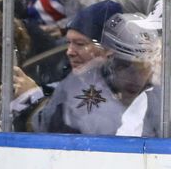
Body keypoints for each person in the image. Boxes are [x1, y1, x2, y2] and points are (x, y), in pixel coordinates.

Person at [31, 10, 160, 135]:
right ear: (108, 58)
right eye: (125, 66)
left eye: (145, 66)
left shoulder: (160, 97)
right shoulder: (76, 93)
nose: (136, 76)